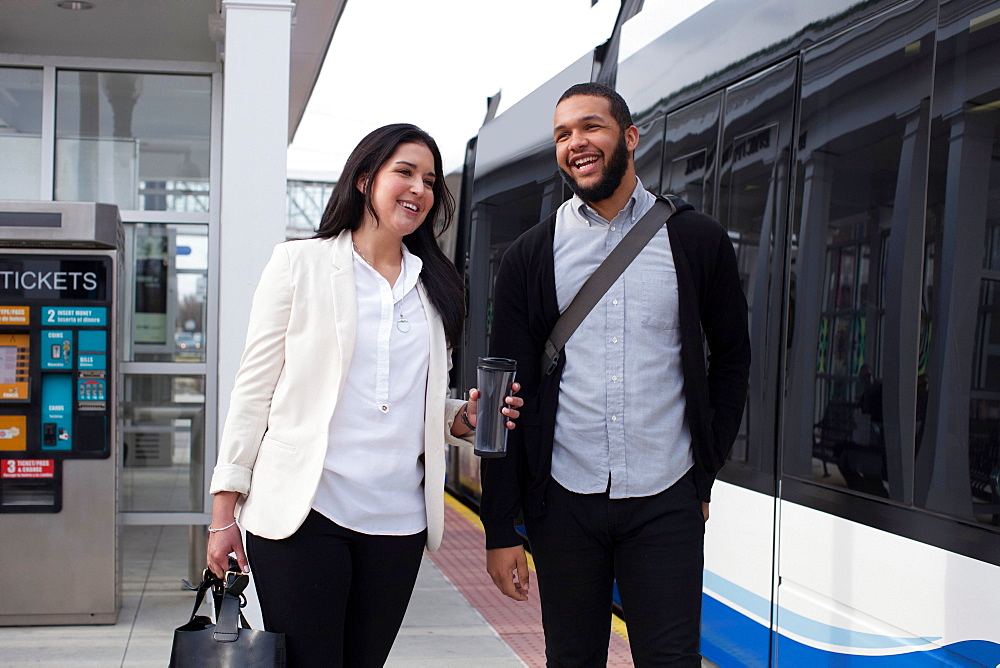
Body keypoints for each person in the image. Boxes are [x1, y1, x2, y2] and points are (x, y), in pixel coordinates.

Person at [207, 123, 523, 667]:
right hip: (304, 513)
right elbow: (252, 393)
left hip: (397, 522)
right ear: (363, 180)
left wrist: (461, 418)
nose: (419, 188)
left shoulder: (438, 285)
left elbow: (415, 399)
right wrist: (223, 513)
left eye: (429, 180)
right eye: (404, 172)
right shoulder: (298, 265)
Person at [481, 83, 750, 666]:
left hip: (665, 496)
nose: (576, 143)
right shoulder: (531, 255)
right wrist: (500, 528)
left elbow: (732, 358)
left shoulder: (696, 240)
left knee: (672, 660)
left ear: (629, 137)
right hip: (564, 500)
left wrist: (703, 471)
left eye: (591, 127)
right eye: (562, 134)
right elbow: (501, 395)